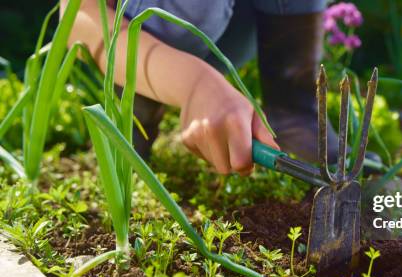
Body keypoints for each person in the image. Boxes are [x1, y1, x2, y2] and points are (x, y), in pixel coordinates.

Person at [62, 0, 342, 176]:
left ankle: (294, 114)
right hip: (144, 40)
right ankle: (135, 117)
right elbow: (77, 15)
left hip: (239, 24)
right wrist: (194, 84)